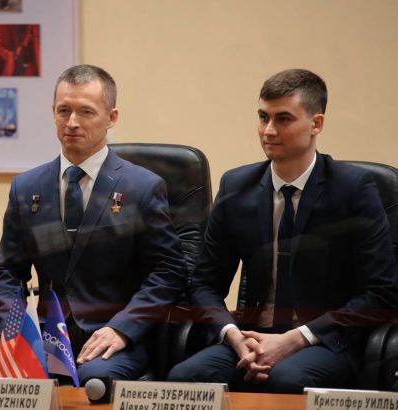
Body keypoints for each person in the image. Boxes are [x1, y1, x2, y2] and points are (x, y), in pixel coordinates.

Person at [167, 69, 398, 393]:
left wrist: (296, 339)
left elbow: (382, 291)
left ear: (316, 124)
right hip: (251, 339)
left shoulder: (353, 189)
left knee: (287, 379)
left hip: (325, 342)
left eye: (283, 119)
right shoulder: (237, 187)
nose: (269, 130)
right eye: (263, 117)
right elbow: (205, 283)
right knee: (185, 378)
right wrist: (232, 335)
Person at [0, 64, 187, 383]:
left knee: (91, 384)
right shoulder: (26, 187)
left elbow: (168, 272)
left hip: (112, 337)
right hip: (47, 337)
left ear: (111, 117)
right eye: (64, 110)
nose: (72, 122)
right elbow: (7, 272)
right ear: (53, 112)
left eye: (86, 112)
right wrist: (13, 329)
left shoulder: (142, 187)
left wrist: (123, 328)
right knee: (2, 384)